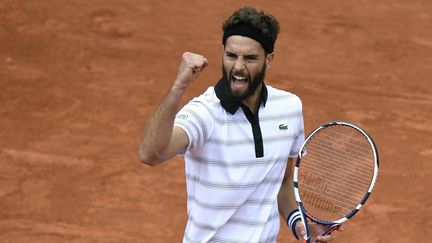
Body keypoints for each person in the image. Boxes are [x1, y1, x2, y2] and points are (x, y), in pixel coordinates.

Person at [138, 6, 338, 243]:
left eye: (250, 58)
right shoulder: (204, 113)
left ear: (269, 60)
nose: (239, 67)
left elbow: (282, 181)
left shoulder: (289, 108)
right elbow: (150, 154)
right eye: (232, 56)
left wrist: (301, 226)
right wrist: (178, 87)